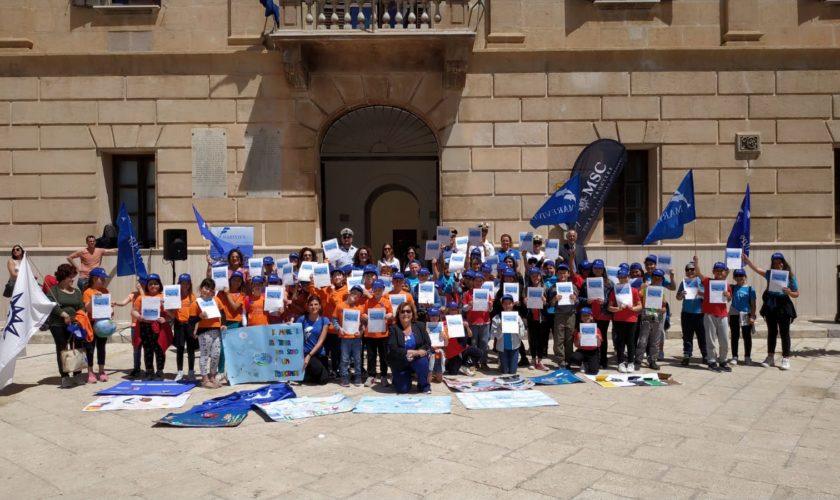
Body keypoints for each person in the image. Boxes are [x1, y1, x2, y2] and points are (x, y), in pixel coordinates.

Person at [744, 252, 799, 370]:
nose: (777, 265)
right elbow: (757, 269)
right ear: (772, 264)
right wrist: (747, 261)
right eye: (775, 263)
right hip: (771, 306)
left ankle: (786, 358)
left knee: (784, 333)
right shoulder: (770, 274)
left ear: (783, 263)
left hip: (784, 306)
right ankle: (770, 357)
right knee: (772, 332)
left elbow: (796, 293)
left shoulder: (790, 276)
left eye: (779, 263)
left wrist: (789, 292)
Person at [46, 264, 86, 388]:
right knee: (62, 348)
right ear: (63, 277)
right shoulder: (54, 290)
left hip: (75, 324)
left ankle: (77, 373)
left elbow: (82, 306)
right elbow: (51, 305)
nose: (73, 279)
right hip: (58, 324)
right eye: (70, 277)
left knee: (78, 347)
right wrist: (63, 314)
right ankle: (64, 376)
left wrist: (80, 315)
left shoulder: (77, 291)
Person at [189, 278, 227, 389]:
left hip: (216, 331)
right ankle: (204, 379)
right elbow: (190, 321)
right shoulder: (196, 303)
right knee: (205, 355)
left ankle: (212, 377)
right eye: (206, 288)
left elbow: (222, 312)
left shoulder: (216, 300)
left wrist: (223, 324)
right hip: (204, 332)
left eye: (211, 289)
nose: (208, 291)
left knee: (216, 355)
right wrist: (199, 317)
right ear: (201, 288)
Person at [131, 274, 170, 380]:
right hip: (145, 326)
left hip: (159, 327)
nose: (153, 286)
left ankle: (160, 372)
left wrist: (165, 318)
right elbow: (134, 311)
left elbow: (172, 315)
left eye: (156, 284)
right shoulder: (141, 297)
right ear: (147, 286)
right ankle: (149, 372)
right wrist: (139, 317)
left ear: (160, 285)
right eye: (151, 284)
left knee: (159, 349)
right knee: (147, 349)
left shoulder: (164, 297)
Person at [387, 302, 432, 394]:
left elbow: (427, 343)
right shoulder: (393, 329)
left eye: (408, 311)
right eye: (402, 312)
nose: (405, 314)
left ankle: (424, 385)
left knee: (423, 362)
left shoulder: (420, 326)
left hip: (416, 359)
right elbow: (393, 348)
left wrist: (420, 351)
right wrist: (409, 352)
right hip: (401, 361)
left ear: (412, 313)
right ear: (398, 314)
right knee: (402, 390)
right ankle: (398, 378)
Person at [696, 259, 733, 372]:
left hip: (722, 315)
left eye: (721, 271)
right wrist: (696, 262)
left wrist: (727, 295)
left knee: (725, 340)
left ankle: (723, 360)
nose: (719, 273)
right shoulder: (708, 281)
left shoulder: (726, 284)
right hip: (709, 314)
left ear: (724, 272)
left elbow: (730, 298)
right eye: (716, 271)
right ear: (713, 272)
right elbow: (699, 273)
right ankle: (711, 360)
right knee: (710, 339)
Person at [607, 268, 642, 373]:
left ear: (628, 277)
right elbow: (609, 307)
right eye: (620, 277)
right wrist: (617, 309)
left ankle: (631, 363)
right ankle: (620, 363)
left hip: (632, 319)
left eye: (624, 277)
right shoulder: (614, 291)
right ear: (618, 278)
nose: (622, 279)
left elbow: (640, 306)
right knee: (620, 342)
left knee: (631, 342)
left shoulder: (634, 291)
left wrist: (633, 308)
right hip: (618, 319)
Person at [82, 267, 111, 383]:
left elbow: (107, 307)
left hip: (103, 323)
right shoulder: (87, 292)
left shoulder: (105, 291)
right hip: (91, 323)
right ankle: (90, 371)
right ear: (94, 279)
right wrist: (94, 298)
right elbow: (87, 308)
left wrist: (111, 309)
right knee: (90, 348)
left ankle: (101, 370)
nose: (104, 281)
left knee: (101, 347)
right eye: (102, 279)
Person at [362, 279, 394, 387]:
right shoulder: (368, 301)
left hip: (383, 334)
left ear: (383, 289)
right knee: (371, 356)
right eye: (375, 289)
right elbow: (363, 314)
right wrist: (365, 316)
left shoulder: (386, 302)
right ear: (372, 290)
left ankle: (384, 376)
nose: (377, 291)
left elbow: (391, 313)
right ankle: (371, 376)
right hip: (370, 334)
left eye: (380, 289)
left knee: (383, 356)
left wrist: (389, 315)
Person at [333, 285, 366, 387]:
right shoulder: (340, 306)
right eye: (354, 292)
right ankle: (344, 377)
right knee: (344, 359)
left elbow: (364, 323)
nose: (356, 295)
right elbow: (334, 320)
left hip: (356, 338)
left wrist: (361, 332)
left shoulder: (360, 308)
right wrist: (339, 328)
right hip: (345, 338)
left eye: (359, 295)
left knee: (357, 359)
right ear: (349, 292)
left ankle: (358, 377)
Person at [635, 269, 667, 371]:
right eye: (655, 277)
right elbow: (637, 299)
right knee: (643, 341)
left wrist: (664, 309)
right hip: (646, 318)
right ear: (651, 277)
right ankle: (638, 360)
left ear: (662, 279)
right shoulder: (645, 289)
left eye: (659, 278)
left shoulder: (662, 291)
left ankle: (652, 360)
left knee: (655, 342)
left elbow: (664, 305)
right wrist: (641, 288)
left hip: (658, 319)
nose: (657, 279)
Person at [676, 261, 707, 366]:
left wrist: (700, 293)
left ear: (696, 270)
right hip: (686, 314)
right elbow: (678, 298)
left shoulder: (701, 281)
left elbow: (707, 296)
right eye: (687, 270)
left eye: (692, 269)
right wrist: (681, 294)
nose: (690, 271)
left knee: (702, 336)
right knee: (687, 336)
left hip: (700, 314)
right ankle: (687, 356)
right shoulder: (683, 282)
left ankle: (705, 356)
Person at [548, 263, 578, 368]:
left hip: (571, 315)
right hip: (559, 315)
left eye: (564, 273)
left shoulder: (573, 286)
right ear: (557, 274)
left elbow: (577, 301)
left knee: (569, 339)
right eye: (560, 273)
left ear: (568, 274)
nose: (562, 275)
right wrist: (554, 299)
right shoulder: (553, 287)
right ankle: (560, 359)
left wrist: (575, 299)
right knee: (559, 339)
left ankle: (569, 359)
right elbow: (550, 304)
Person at [297, 294, 330, 385]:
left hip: (318, 353)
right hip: (306, 352)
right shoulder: (302, 319)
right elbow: (294, 333)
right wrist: (289, 325)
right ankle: (306, 370)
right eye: (311, 305)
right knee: (317, 369)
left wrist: (310, 355)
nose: (313, 307)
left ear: (320, 306)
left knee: (324, 380)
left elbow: (320, 342)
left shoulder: (325, 320)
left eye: (316, 304)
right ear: (307, 307)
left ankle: (306, 374)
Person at [170, 274, 197, 381]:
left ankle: (191, 372)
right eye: (182, 283)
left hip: (190, 325)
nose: (185, 285)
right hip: (179, 325)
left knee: (191, 350)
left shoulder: (193, 297)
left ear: (190, 284)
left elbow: (196, 314)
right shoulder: (174, 297)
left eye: (187, 283)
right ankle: (180, 371)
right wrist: (166, 306)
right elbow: (171, 313)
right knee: (180, 349)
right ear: (179, 284)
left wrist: (195, 328)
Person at [490, 294, 526, 375]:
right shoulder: (497, 318)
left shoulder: (517, 317)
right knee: (504, 372)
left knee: (513, 372)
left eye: (509, 303)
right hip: (502, 348)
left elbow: (522, 333)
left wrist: (517, 327)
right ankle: (502, 362)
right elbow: (493, 333)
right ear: (502, 305)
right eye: (505, 303)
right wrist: (501, 328)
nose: (507, 305)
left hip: (515, 347)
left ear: (513, 304)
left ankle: (509, 362)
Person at [587, 259, 613, 369]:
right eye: (596, 268)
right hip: (590, 314)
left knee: (602, 337)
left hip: (604, 314)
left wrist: (605, 301)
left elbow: (613, 299)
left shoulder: (609, 282)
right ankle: (593, 359)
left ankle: (603, 359)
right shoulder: (587, 281)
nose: (598, 270)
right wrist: (586, 300)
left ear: (603, 269)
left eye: (600, 268)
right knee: (591, 337)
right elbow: (580, 298)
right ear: (592, 269)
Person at [728, 269, 756, 366]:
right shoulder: (732, 287)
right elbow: (722, 284)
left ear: (745, 276)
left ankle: (747, 357)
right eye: (737, 276)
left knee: (747, 336)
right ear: (734, 278)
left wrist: (752, 316)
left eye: (741, 275)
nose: (739, 277)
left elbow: (753, 304)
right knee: (734, 336)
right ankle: (734, 356)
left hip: (745, 314)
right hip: (734, 314)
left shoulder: (750, 289)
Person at [525, 267, 550, 371]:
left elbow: (550, 304)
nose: (535, 277)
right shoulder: (527, 288)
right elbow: (523, 303)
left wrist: (545, 302)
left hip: (542, 317)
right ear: (530, 277)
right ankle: (533, 359)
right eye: (533, 276)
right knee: (532, 339)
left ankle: (539, 360)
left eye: (537, 275)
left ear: (540, 276)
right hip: (531, 317)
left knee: (541, 340)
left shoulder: (545, 288)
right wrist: (524, 301)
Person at [571, 307, 602, 375]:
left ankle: (586, 363)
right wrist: (579, 338)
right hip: (582, 351)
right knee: (574, 357)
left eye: (587, 315)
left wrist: (598, 338)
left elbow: (599, 345)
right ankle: (582, 362)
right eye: (583, 316)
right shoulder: (578, 330)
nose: (585, 317)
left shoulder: (596, 329)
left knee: (594, 372)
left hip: (593, 352)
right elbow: (576, 345)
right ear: (581, 317)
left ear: (591, 317)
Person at [425, 307, 449, 383]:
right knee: (428, 380)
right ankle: (429, 372)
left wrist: (445, 337)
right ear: (428, 317)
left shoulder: (443, 328)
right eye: (432, 316)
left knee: (439, 380)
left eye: (436, 315)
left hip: (438, 352)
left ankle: (436, 372)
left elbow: (446, 345)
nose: (434, 317)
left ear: (439, 316)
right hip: (428, 352)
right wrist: (425, 334)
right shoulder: (425, 327)